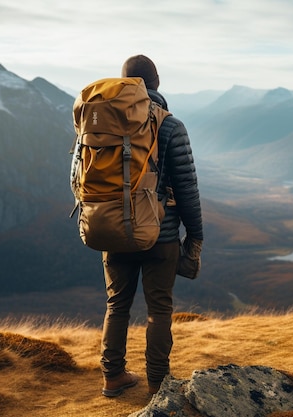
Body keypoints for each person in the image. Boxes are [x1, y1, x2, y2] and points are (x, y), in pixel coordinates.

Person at [100, 54, 204, 397]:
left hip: (113, 231)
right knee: (159, 310)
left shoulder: (102, 121)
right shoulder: (170, 125)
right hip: (161, 235)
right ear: (156, 83)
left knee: (117, 306)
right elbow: (187, 188)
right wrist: (196, 237)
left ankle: (113, 376)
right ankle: (158, 385)